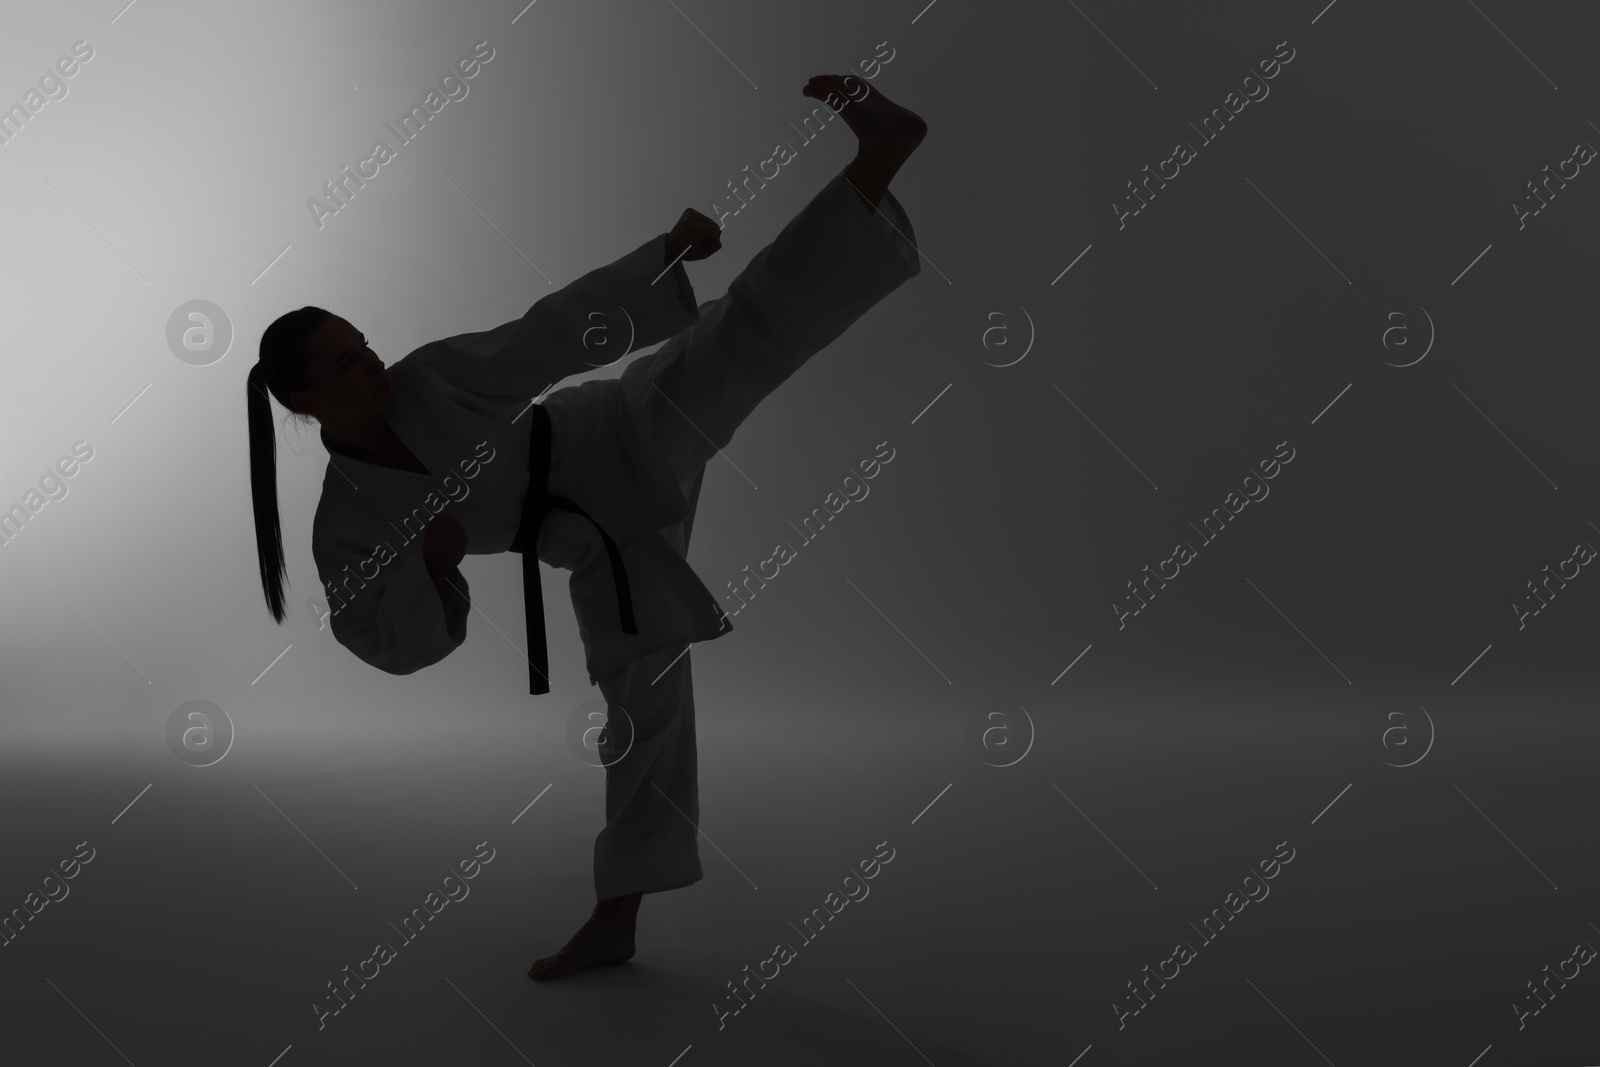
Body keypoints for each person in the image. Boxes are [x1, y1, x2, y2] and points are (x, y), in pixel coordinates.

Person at [245, 73, 927, 981]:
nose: (371, 363)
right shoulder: (348, 521)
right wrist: (434, 572)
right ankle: (617, 917)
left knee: (745, 335)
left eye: (363, 343)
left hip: (619, 434)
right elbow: (382, 636)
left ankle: (877, 162)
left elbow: (547, 337)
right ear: (303, 400)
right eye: (344, 363)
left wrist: (663, 259)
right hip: (589, 543)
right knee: (642, 705)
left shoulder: (428, 378)